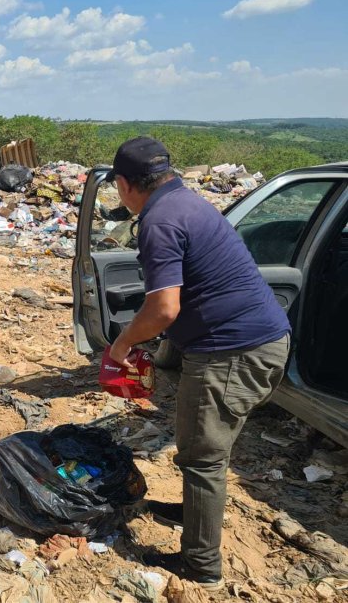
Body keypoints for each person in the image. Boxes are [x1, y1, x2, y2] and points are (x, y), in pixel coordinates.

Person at [105, 137, 291, 589]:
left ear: (127, 184)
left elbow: (164, 309)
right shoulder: (189, 202)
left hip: (231, 354)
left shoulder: (158, 222)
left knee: (204, 459)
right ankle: (192, 514)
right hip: (258, 341)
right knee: (201, 447)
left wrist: (123, 343)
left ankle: (201, 565)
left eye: (117, 188)